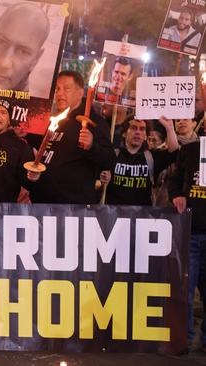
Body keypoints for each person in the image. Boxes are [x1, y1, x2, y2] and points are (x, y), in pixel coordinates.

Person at [29, 70, 116, 204]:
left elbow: (109, 160)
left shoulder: (93, 122)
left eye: (66, 89)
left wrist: (92, 146)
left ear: (80, 93)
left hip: (73, 206)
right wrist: (26, 134)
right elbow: (42, 147)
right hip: (42, 202)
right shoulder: (53, 119)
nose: (60, 93)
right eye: (57, 89)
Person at [168, 139, 206, 351]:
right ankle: (186, 340)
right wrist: (176, 195)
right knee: (187, 293)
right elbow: (174, 180)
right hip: (190, 232)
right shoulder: (190, 149)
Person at [100, 116, 179, 206]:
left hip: (142, 216)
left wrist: (170, 128)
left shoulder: (151, 157)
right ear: (124, 133)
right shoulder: (112, 155)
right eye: (133, 128)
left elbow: (174, 152)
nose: (138, 132)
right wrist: (103, 177)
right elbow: (99, 176)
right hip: (114, 214)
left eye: (142, 129)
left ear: (145, 136)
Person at [0, 2, 50, 93]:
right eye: (1, 42)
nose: (4, 63)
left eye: (23, 52)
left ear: (35, 60)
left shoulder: (31, 105)